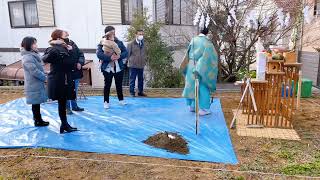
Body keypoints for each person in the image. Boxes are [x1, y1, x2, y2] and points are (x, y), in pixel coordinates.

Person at [42, 29, 78, 133]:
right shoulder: (55, 49)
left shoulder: (63, 47)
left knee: (62, 103)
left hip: (64, 78)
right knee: (62, 103)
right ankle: (64, 125)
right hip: (60, 80)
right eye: (64, 36)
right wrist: (70, 51)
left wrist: (70, 50)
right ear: (58, 38)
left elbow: (72, 61)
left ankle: (64, 124)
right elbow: (45, 58)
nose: (67, 37)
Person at [180, 27, 218, 116]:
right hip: (201, 66)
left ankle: (192, 106)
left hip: (191, 65)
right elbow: (211, 57)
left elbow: (188, 53)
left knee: (191, 84)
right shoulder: (207, 42)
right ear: (207, 32)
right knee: (203, 86)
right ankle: (204, 109)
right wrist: (201, 67)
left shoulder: (193, 40)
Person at [96, 26, 128, 109]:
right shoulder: (102, 42)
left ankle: (121, 99)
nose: (113, 34)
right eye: (111, 32)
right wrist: (109, 58)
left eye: (114, 32)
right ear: (107, 33)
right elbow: (99, 54)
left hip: (118, 67)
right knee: (107, 85)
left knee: (119, 84)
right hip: (107, 68)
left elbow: (125, 52)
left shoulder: (119, 42)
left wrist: (119, 56)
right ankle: (106, 102)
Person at [21, 36, 49, 127]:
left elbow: (38, 68)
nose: (36, 45)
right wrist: (45, 78)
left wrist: (45, 73)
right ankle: (38, 120)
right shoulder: (27, 57)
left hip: (36, 83)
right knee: (35, 103)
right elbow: (34, 71)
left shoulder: (33, 55)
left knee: (36, 103)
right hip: (33, 84)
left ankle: (38, 119)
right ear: (29, 45)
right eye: (34, 43)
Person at [63, 31, 85, 114]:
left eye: (67, 34)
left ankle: (74, 106)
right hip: (66, 72)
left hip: (75, 71)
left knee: (74, 90)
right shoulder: (59, 46)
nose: (67, 35)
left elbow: (80, 54)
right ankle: (67, 108)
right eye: (65, 34)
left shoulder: (72, 43)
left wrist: (80, 62)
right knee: (67, 91)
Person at [127, 29, 147, 97]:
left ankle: (140, 92)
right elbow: (128, 54)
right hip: (133, 65)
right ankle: (132, 92)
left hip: (141, 65)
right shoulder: (130, 44)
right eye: (139, 34)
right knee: (132, 79)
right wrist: (127, 63)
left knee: (141, 79)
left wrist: (144, 61)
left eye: (142, 34)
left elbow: (144, 53)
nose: (141, 35)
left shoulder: (144, 43)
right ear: (136, 35)